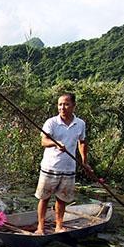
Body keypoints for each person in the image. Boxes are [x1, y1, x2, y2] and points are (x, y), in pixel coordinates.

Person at [34, 93, 93, 234]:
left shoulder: (80, 124)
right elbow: (43, 141)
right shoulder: (51, 122)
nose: (62, 107)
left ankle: (59, 226)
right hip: (50, 167)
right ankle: (40, 227)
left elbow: (82, 142)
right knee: (44, 198)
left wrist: (84, 162)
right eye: (60, 104)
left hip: (68, 168)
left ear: (73, 105)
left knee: (62, 199)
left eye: (66, 104)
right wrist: (55, 143)